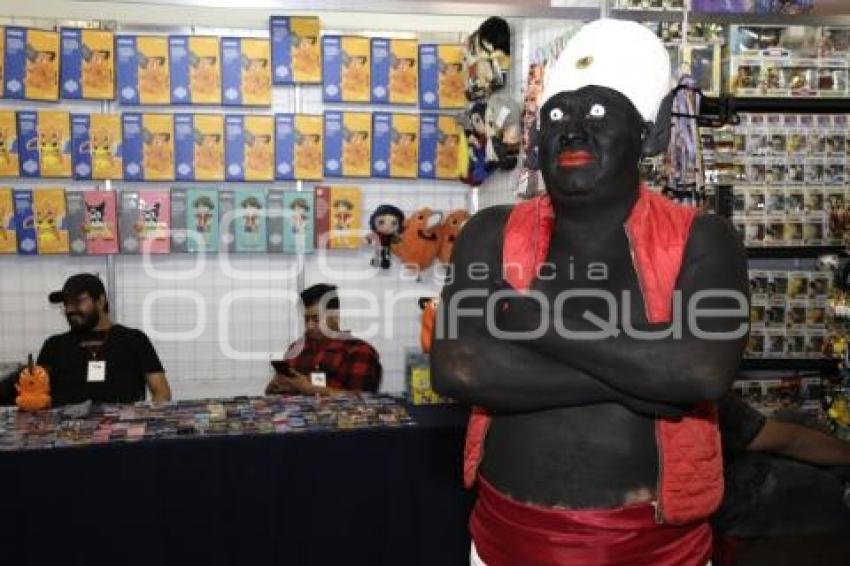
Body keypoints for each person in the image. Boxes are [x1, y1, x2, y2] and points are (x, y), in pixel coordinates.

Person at [431, 19, 749, 565]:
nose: (573, 132)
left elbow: (698, 372)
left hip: (657, 550)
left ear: (651, 133)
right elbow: (460, 368)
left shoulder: (701, 240)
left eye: (598, 113)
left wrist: (531, 321)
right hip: (502, 540)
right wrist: (643, 384)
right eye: (557, 116)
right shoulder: (490, 233)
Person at [714, 393, 850, 540]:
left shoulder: (709, 396)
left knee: (793, 416)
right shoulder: (703, 395)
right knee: (822, 486)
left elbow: (766, 434)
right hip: (732, 492)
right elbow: (790, 441)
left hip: (732, 456)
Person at [37, 273, 171, 406]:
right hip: (65, 421)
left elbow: (162, 392)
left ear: (100, 301)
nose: (70, 309)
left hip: (125, 420)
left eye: (78, 301)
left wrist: (150, 417)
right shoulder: (53, 345)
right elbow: (35, 392)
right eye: (67, 303)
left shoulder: (135, 340)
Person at [266, 284, 381, 395]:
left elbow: (364, 400)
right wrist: (274, 387)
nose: (309, 326)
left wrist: (309, 389)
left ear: (335, 317)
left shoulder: (359, 351)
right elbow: (274, 394)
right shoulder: (296, 349)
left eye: (316, 319)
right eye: (306, 320)